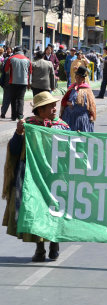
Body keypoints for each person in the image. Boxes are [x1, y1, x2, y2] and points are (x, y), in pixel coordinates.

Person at [2, 91, 70, 262]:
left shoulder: (62, 126)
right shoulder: (28, 126)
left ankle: (54, 243)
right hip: (31, 176)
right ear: (40, 110)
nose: (55, 108)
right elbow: (16, 150)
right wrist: (18, 134)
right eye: (50, 106)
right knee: (36, 212)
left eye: (55, 105)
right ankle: (39, 248)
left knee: (54, 211)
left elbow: (71, 152)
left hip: (54, 177)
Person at [60, 67, 96, 132]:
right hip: (70, 117)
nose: (78, 79)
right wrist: (67, 103)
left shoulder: (87, 90)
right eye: (77, 77)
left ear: (83, 79)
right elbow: (63, 101)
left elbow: (91, 104)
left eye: (80, 78)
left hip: (82, 118)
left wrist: (91, 115)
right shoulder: (72, 88)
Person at [3, 46, 32, 120]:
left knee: (13, 99)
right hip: (24, 82)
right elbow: (30, 72)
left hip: (13, 82)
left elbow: (6, 70)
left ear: (15, 51)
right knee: (21, 99)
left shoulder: (10, 58)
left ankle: (13, 116)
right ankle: (20, 115)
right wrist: (29, 83)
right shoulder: (28, 60)